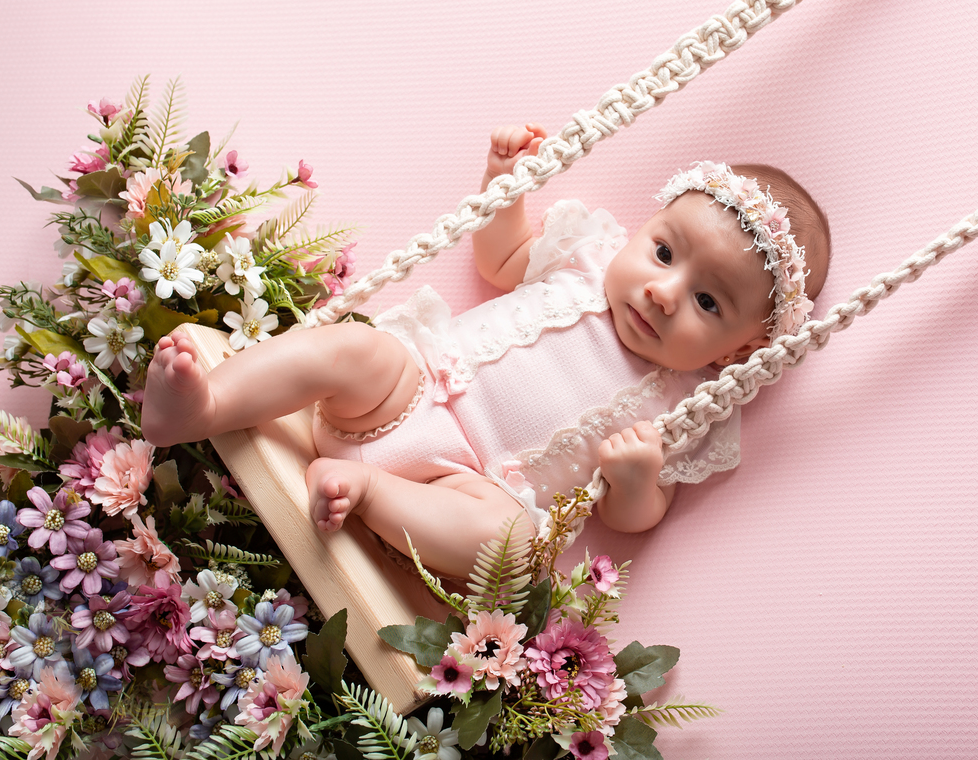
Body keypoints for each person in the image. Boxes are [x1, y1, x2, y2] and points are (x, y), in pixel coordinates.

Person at [141, 123, 831, 579]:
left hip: (463, 487)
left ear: (739, 351)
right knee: (355, 347)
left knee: (513, 546)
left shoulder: (688, 405)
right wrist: (507, 186)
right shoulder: (586, 257)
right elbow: (500, 259)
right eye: (663, 252)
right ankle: (205, 404)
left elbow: (633, 520)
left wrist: (636, 481)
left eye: (708, 302)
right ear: (644, 227)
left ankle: (370, 491)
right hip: (409, 388)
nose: (663, 293)